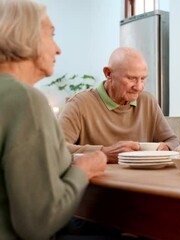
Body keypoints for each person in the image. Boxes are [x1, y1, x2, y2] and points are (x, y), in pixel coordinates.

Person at [0, 0, 107, 238]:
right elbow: (39, 223)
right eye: (52, 34)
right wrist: (83, 170)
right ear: (26, 36)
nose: (58, 49)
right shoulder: (26, 100)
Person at [59, 47, 179, 163]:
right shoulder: (79, 104)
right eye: (131, 78)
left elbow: (172, 141)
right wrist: (103, 153)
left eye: (142, 79)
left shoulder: (148, 101)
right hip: (97, 181)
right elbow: (56, 149)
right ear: (108, 74)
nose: (139, 87)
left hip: (142, 180)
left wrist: (166, 148)